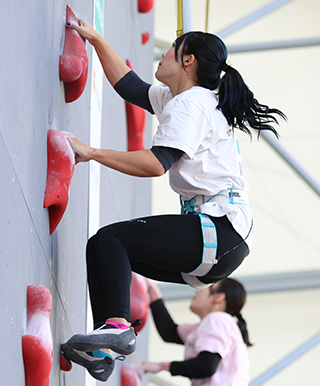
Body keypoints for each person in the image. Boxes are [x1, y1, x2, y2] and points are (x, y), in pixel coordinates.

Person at [60, 17, 284, 381]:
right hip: (225, 241)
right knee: (103, 248)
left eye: (171, 50)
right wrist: (96, 38)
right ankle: (104, 346)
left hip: (220, 229)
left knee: (112, 240)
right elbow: (131, 87)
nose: (162, 54)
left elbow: (155, 165)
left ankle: (115, 329)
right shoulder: (183, 99)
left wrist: (92, 153)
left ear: (188, 60)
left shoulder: (191, 105)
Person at [139, 279, 251, 385]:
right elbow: (169, 332)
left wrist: (162, 366)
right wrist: (153, 290)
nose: (197, 290)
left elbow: (206, 366)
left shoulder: (218, 320)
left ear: (218, 297)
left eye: (206, 286)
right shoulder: (215, 325)